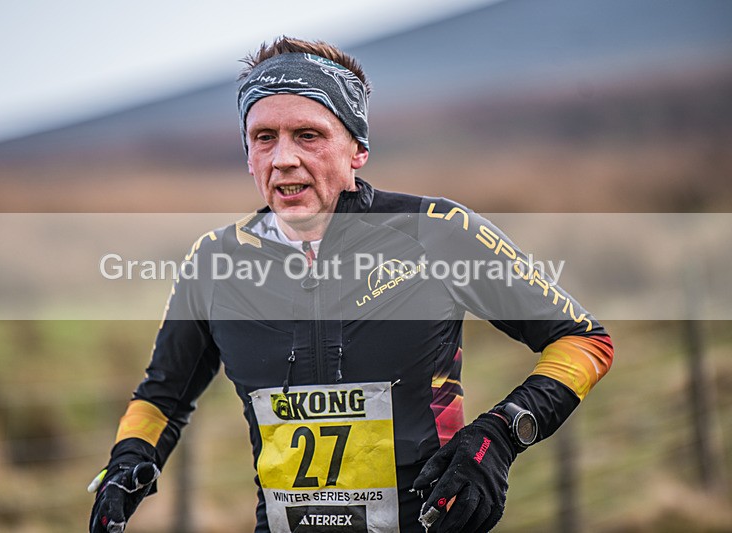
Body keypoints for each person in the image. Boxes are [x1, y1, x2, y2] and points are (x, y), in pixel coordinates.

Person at [88, 36, 614, 533]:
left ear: (357, 148)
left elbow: (583, 340)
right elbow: (161, 397)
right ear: (248, 155)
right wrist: (126, 463)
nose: (283, 158)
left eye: (308, 135)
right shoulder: (215, 262)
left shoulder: (435, 231)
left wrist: (500, 434)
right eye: (264, 138)